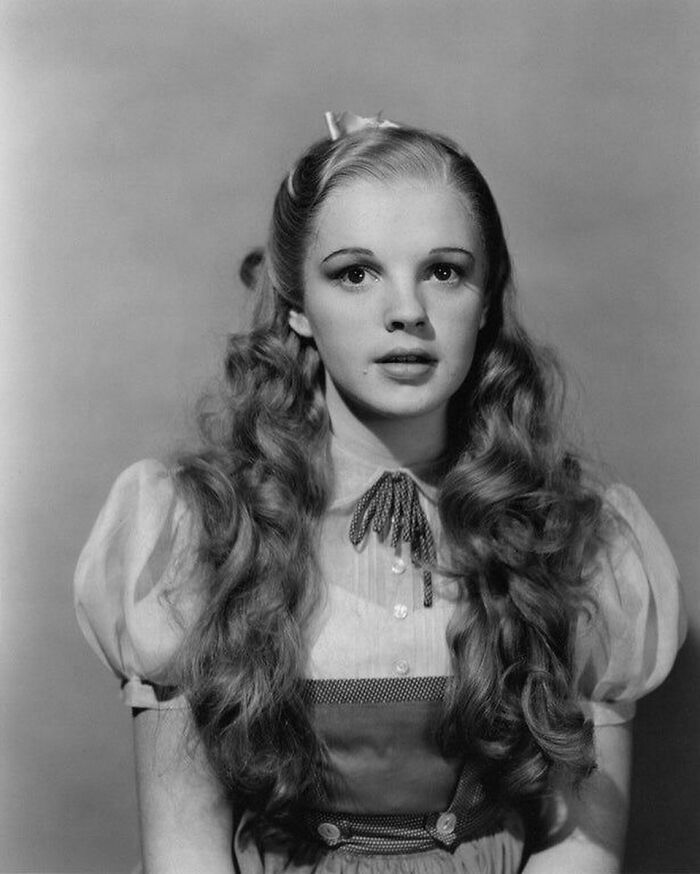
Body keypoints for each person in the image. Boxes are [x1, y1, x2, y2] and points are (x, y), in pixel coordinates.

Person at [74, 112, 686, 874]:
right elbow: (184, 854)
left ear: (487, 300)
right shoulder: (198, 531)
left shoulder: (576, 538)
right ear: (296, 303)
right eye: (355, 273)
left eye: (444, 271)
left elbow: (581, 848)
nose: (407, 312)